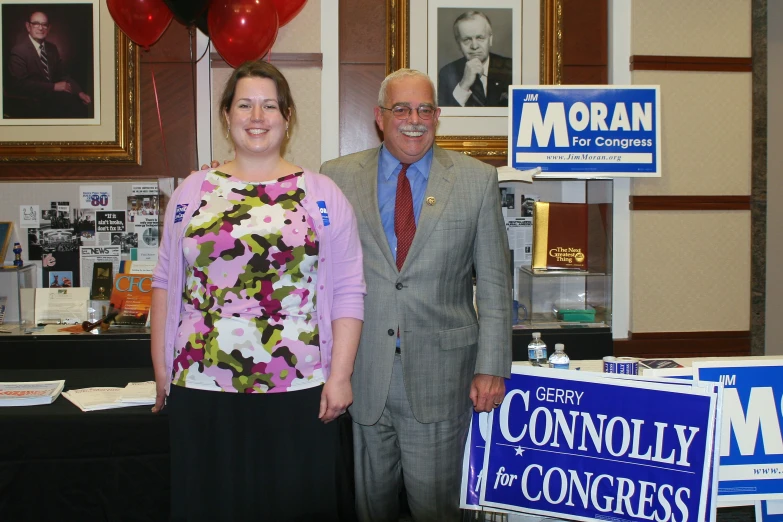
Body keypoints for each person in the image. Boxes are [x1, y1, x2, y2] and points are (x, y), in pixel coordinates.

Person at [151, 60, 366, 521]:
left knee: (292, 505)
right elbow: (166, 281)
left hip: (300, 385)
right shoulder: (193, 191)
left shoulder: (323, 194)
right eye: (245, 104)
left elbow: (349, 289)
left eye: (270, 105)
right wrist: (161, 368)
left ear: (287, 118)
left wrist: (341, 376)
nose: (257, 116)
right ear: (226, 115)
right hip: (202, 381)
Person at [320, 68, 512, 521]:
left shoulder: (475, 180)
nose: (414, 119)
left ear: (438, 116)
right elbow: (321, 275)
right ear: (379, 117)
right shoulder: (337, 178)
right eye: (401, 108)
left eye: (425, 109)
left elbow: (495, 282)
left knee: (437, 509)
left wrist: (492, 367)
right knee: (370, 508)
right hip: (363, 372)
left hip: (441, 376)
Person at [6, 10, 91, 118]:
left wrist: (79, 93)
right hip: (29, 105)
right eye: (36, 24)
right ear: (28, 26)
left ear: (49, 28)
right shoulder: (18, 51)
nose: (40, 28)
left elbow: (62, 75)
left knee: (80, 106)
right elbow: (19, 85)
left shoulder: (52, 48)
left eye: (44, 24)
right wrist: (54, 87)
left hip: (52, 101)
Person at [437, 11, 512, 107]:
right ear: (458, 43)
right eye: (467, 39)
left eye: (480, 38)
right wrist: (463, 85)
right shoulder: (447, 74)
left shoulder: (511, 68)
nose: (474, 46)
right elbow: (445, 116)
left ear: (490, 39)